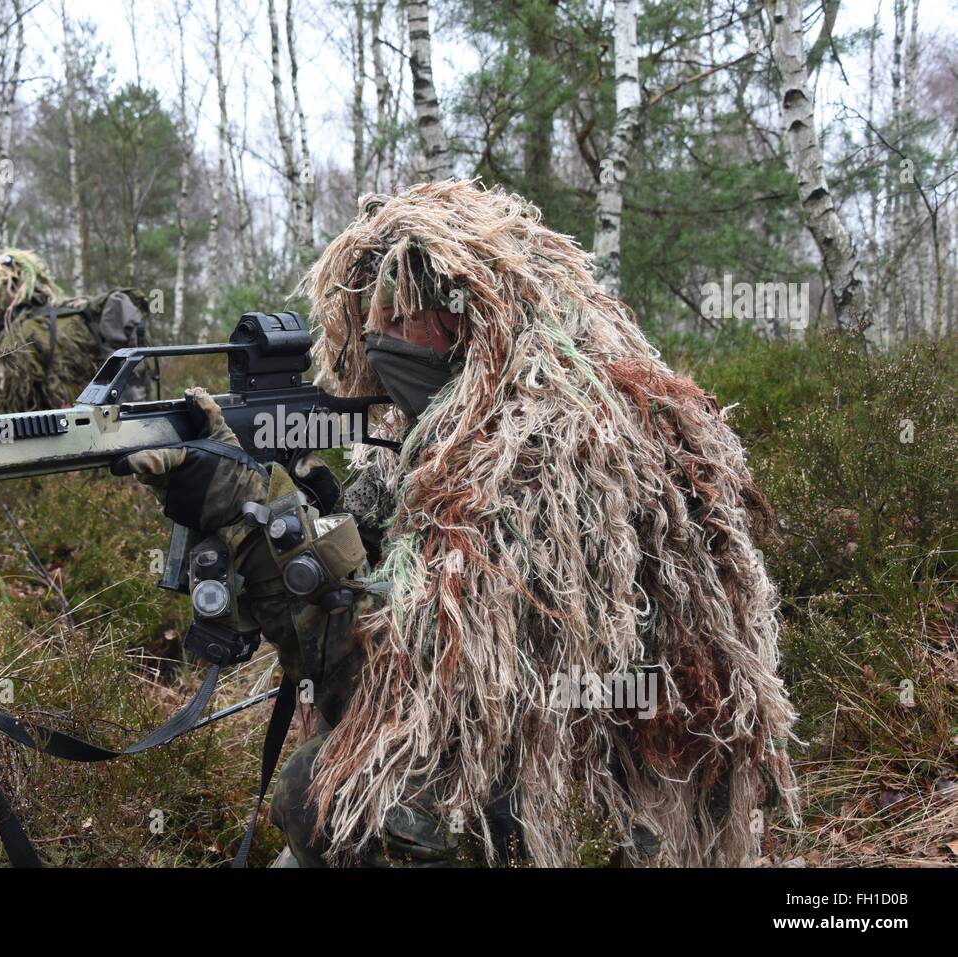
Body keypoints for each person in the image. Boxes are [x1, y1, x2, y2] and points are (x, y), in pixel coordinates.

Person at [115, 180, 797, 867]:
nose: (381, 336)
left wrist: (259, 513)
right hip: (539, 739)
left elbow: (403, 670)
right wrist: (313, 510)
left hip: (590, 783)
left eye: (402, 312)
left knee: (338, 800)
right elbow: (384, 587)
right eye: (372, 313)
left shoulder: (544, 453)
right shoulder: (444, 436)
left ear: (470, 318)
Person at [0, 249, 153, 412]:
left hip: (63, 443)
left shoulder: (28, 331)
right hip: (99, 431)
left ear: (13, 285)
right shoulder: (70, 314)